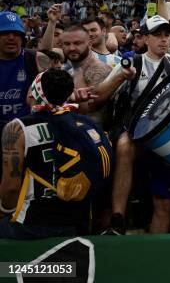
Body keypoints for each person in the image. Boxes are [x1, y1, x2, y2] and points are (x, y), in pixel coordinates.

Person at [93, 15, 170, 235]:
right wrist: (121, 78)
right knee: (124, 145)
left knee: (164, 205)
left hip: (164, 134)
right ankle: (118, 218)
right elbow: (99, 96)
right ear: (145, 38)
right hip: (133, 130)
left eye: (166, 35)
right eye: (157, 35)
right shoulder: (131, 62)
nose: (164, 40)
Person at [0, 69, 113, 239]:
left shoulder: (17, 128)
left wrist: (5, 212)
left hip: (33, 223)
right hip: (77, 222)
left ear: (36, 93)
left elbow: (10, 189)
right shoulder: (83, 122)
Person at [0, 11, 51, 134]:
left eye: (17, 34)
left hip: (29, 130)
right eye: (5, 33)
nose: (11, 37)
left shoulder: (37, 59)